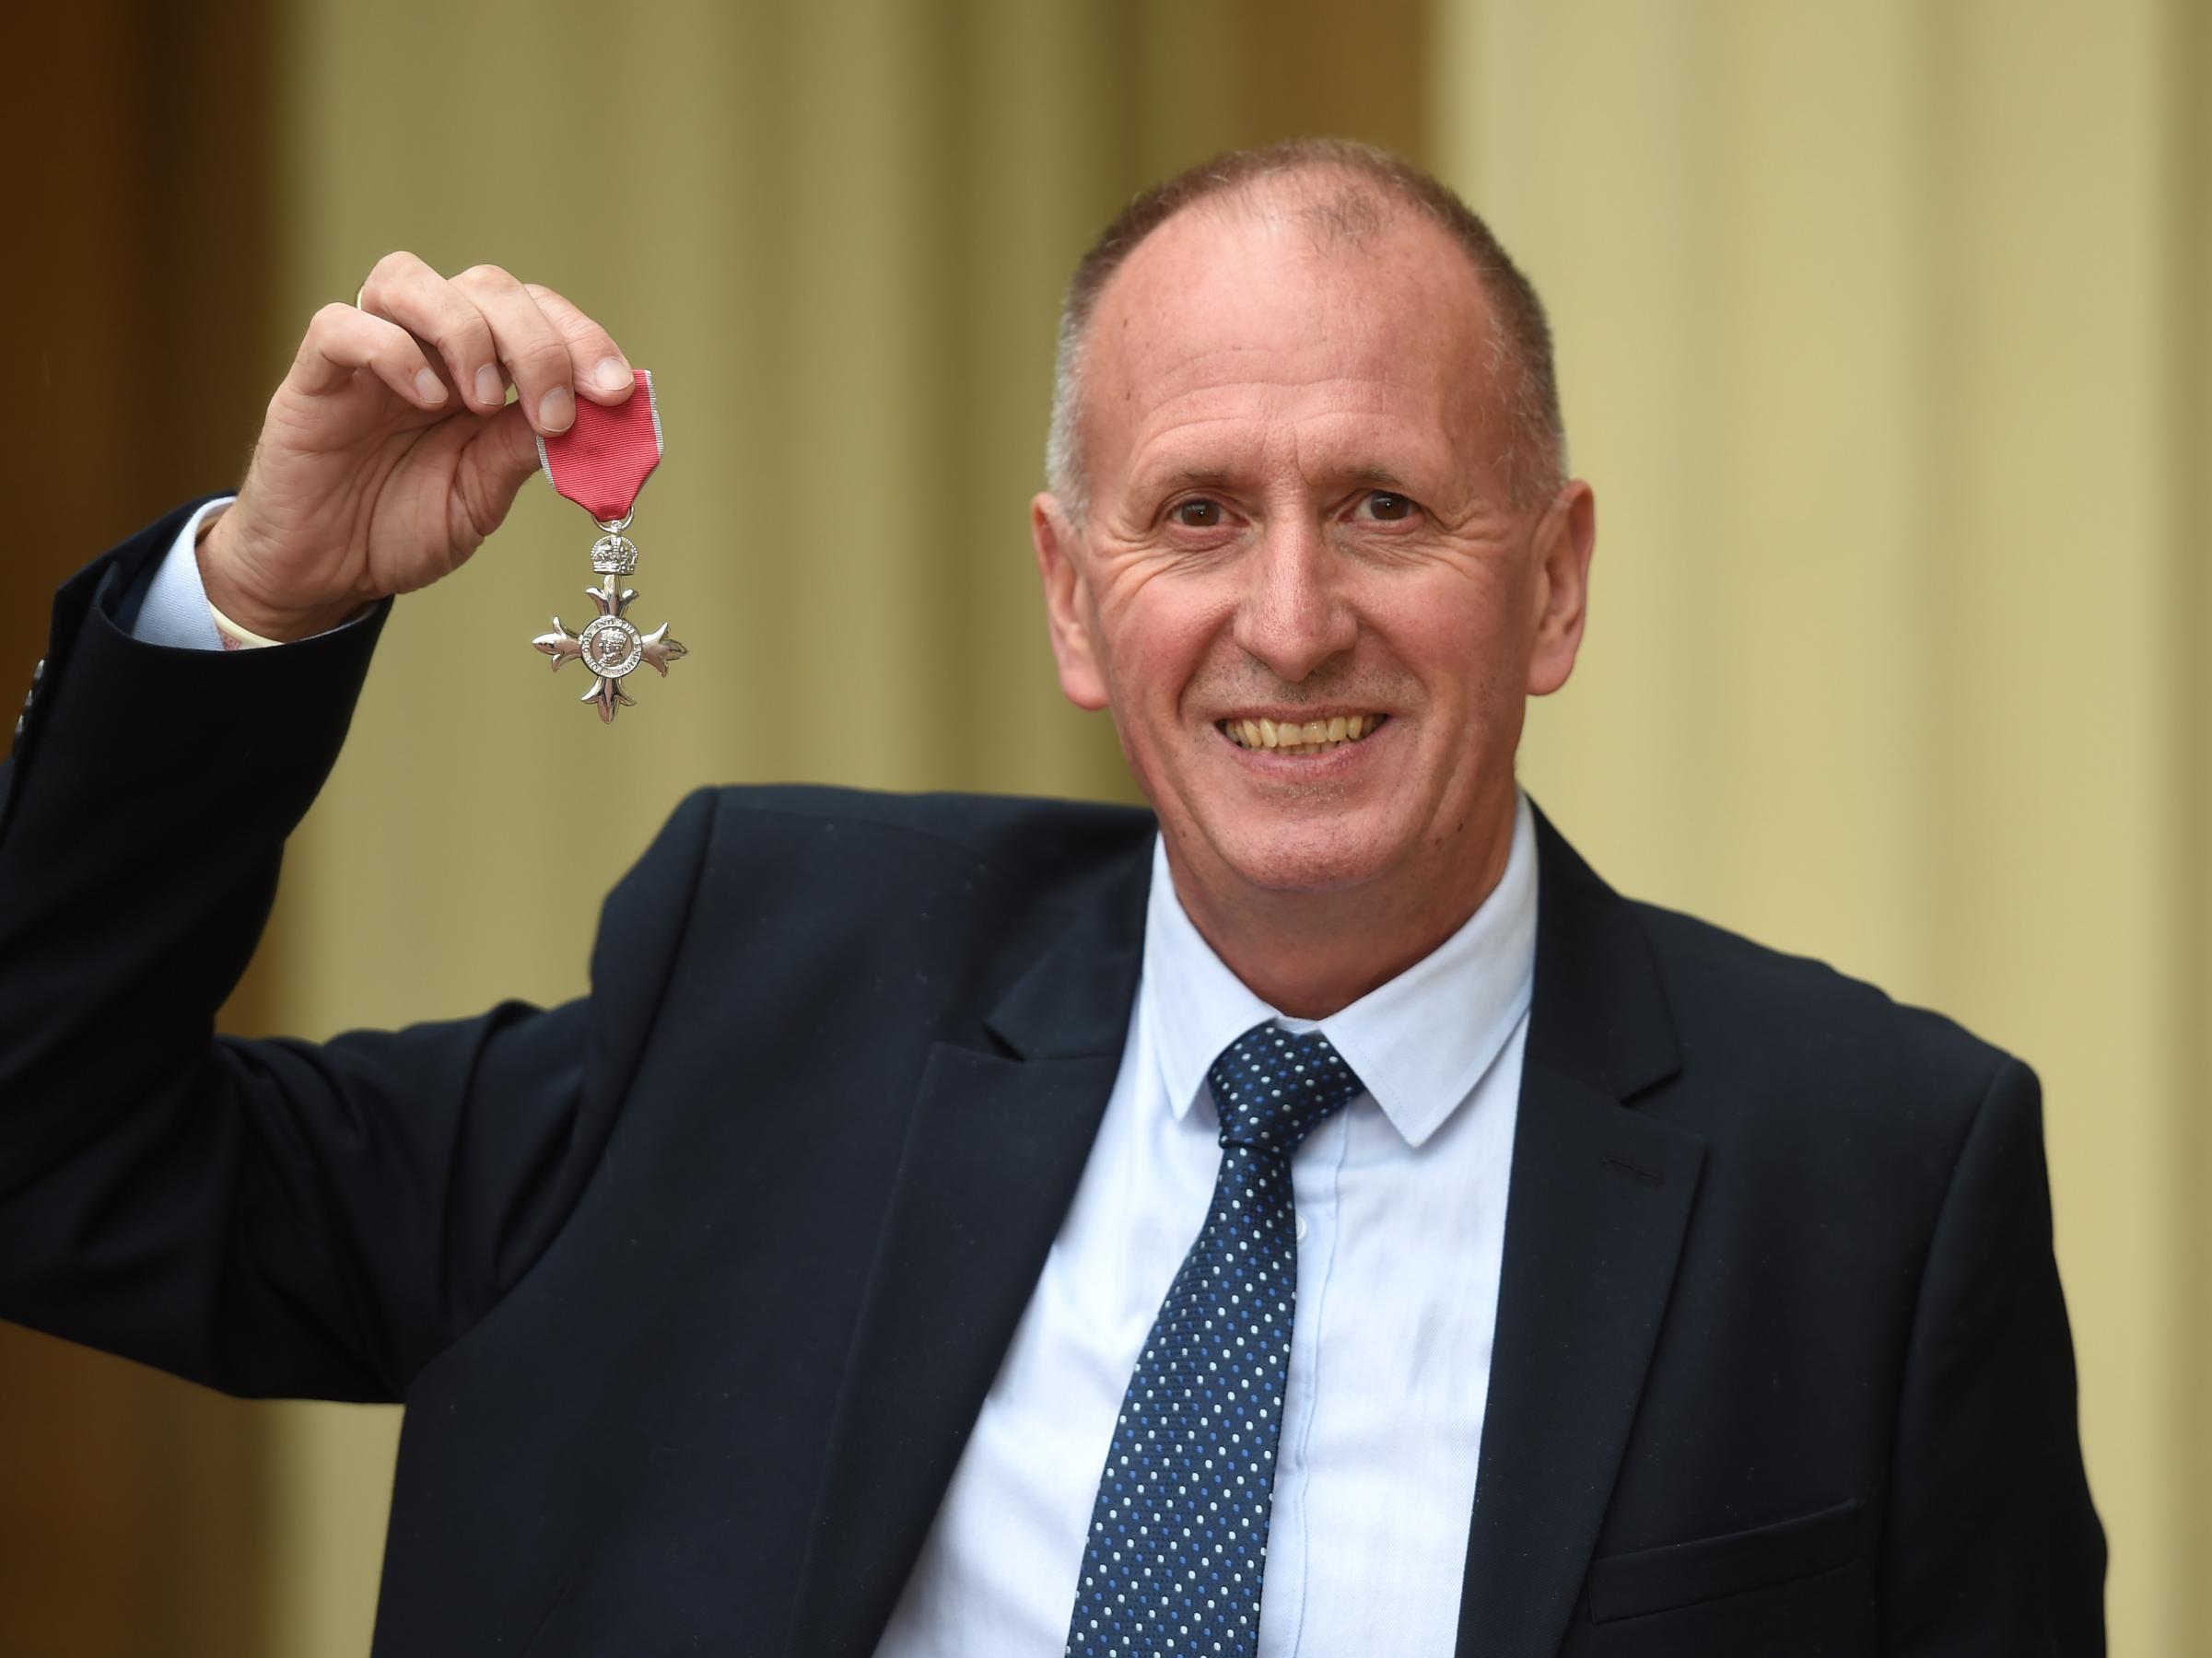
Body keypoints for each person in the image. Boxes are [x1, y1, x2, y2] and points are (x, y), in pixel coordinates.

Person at [0, 139, 2102, 1656]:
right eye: (1196, 514)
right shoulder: (771, 996)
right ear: (1072, 599)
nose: (1291, 620)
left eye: (1381, 505)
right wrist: (259, 600)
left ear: (1547, 583)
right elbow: (52, 1152)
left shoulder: (1874, 1178)